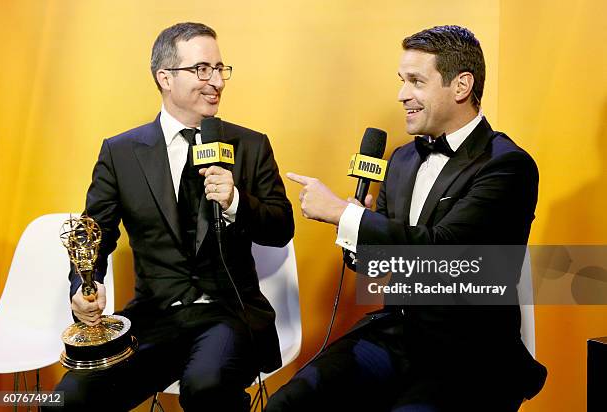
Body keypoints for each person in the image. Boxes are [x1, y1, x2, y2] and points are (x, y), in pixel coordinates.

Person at [267, 25, 546, 412]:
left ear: (461, 85)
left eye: (416, 81)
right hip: (395, 334)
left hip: (467, 353)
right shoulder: (400, 159)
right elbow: (372, 264)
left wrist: (344, 214)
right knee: (288, 403)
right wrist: (355, 227)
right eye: (402, 81)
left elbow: (444, 254)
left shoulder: (507, 166)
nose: (402, 95)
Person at [51, 22, 294, 411]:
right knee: (68, 399)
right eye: (202, 69)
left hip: (230, 313)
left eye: (220, 68)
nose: (216, 81)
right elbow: (96, 235)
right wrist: (84, 287)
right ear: (164, 77)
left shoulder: (250, 145)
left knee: (206, 387)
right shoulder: (120, 152)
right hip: (154, 318)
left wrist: (235, 201)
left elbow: (281, 229)